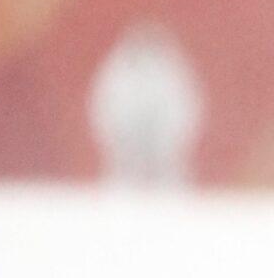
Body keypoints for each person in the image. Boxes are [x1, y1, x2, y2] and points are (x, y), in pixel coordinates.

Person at [87, 21, 206, 188]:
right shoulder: (118, 75)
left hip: (167, 168)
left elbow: (184, 113)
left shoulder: (173, 75)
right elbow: (104, 112)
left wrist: (167, 149)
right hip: (123, 167)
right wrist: (122, 146)